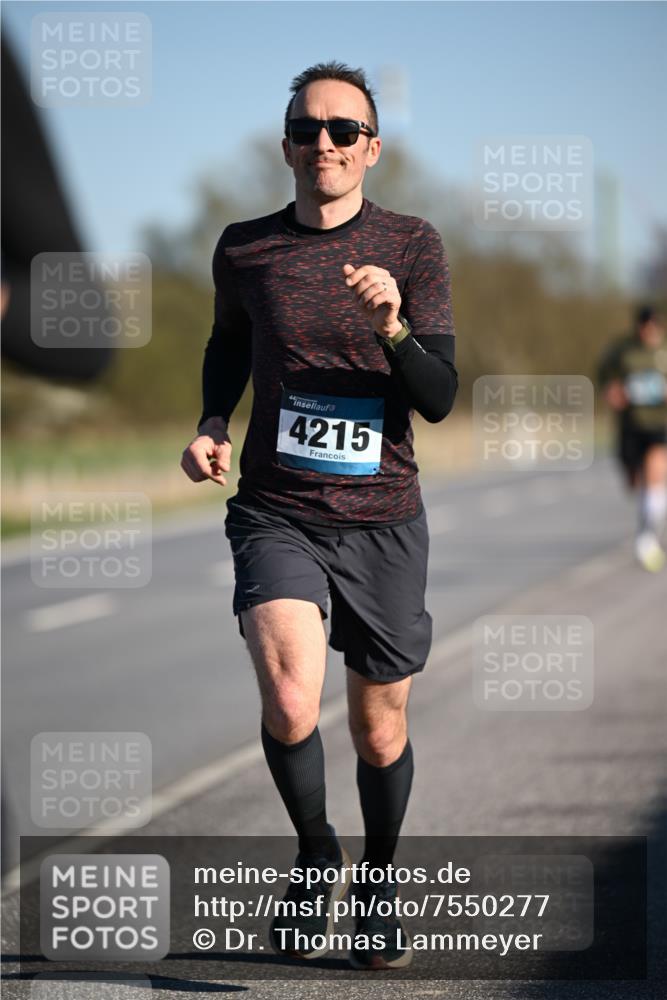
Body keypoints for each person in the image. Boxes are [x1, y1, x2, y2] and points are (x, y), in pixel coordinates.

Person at [181, 60, 458, 970]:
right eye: (307, 130)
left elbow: (439, 398)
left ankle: (376, 885)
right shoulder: (245, 248)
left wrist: (392, 327)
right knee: (292, 697)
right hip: (277, 510)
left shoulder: (412, 244)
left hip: (382, 516)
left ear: (372, 149)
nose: (324, 144)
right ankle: (314, 854)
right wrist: (212, 421)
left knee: (378, 727)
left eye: (344, 130)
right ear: (287, 146)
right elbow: (228, 342)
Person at [597, 305, 667, 571]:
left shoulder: (664, 352)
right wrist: (611, 390)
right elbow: (603, 374)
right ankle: (647, 525)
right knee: (635, 482)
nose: (649, 331)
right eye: (645, 326)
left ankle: (647, 537)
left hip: (658, 422)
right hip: (630, 424)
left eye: (654, 326)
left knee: (656, 474)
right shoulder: (622, 350)